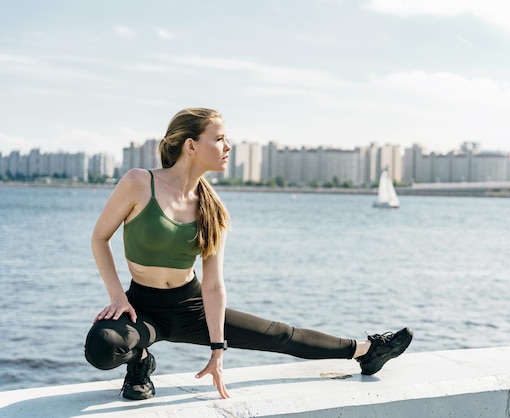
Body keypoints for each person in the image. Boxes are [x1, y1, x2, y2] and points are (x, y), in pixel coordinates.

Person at [84, 107, 413, 400]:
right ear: (191, 145)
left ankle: (367, 351)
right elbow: (100, 237)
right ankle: (140, 363)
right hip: (142, 307)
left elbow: (213, 286)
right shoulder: (139, 183)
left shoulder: (213, 209)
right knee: (102, 347)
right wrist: (117, 296)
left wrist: (217, 350)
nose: (228, 147)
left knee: (280, 335)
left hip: (191, 306)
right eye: (220, 139)